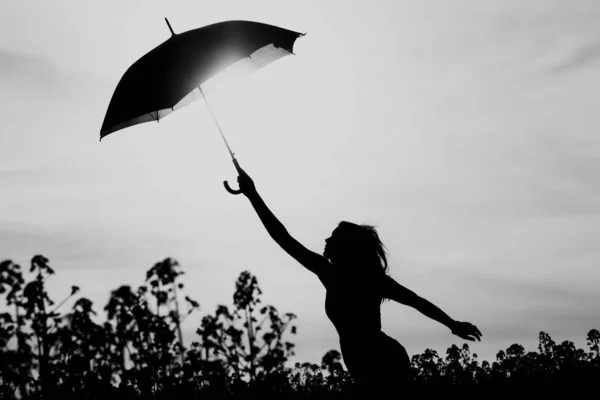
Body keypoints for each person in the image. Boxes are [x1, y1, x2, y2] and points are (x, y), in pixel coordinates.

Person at [233, 161, 482, 396]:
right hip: (371, 362)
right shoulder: (346, 276)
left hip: (384, 361)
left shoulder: (345, 277)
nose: (326, 240)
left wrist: (452, 324)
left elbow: (417, 302)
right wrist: (252, 194)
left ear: (346, 247)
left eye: (333, 237)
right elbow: (283, 238)